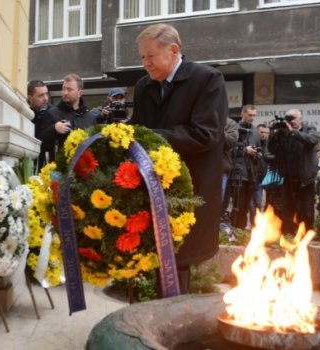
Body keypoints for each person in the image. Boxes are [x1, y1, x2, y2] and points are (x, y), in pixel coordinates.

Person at [128, 23, 228, 293]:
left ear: (173, 50)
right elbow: (137, 127)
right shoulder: (143, 86)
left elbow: (205, 134)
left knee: (178, 260)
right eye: (142, 57)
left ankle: (172, 319)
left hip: (190, 187)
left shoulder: (207, 79)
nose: (146, 63)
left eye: (150, 56)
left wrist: (148, 137)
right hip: (151, 188)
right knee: (151, 257)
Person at [267, 109, 320, 233]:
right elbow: (272, 149)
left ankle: (307, 235)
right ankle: (289, 235)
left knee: (306, 210)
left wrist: (292, 132)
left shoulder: (309, 129)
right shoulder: (283, 133)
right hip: (288, 178)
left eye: (294, 118)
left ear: (300, 119)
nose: (291, 122)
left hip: (305, 178)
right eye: (289, 119)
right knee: (287, 208)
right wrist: (273, 134)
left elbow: (312, 140)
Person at [223, 105, 261, 229]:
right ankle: (235, 230)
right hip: (236, 172)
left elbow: (259, 148)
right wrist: (244, 150)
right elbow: (228, 148)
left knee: (246, 206)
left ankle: (242, 231)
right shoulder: (235, 128)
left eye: (254, 115)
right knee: (236, 205)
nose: (252, 118)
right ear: (242, 114)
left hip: (251, 173)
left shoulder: (255, 131)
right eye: (250, 115)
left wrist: (257, 153)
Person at [48, 73, 95, 149]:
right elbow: (41, 140)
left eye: (69, 89)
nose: (65, 93)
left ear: (80, 92)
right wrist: (54, 129)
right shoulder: (52, 113)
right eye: (64, 89)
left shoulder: (90, 117)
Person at [27, 80, 60, 171]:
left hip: (49, 164)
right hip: (28, 162)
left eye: (46, 94)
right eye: (40, 95)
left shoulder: (53, 112)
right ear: (30, 98)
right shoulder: (24, 112)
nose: (45, 98)